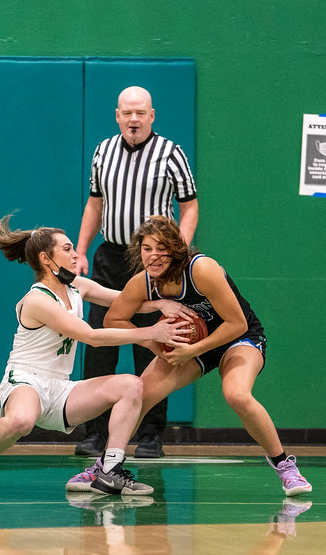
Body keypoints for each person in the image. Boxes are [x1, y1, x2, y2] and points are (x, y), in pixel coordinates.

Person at [67, 216, 312, 497]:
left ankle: (285, 467)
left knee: (237, 394)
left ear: (175, 249)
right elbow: (113, 319)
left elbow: (237, 323)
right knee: (139, 394)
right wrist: (152, 341)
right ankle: (105, 467)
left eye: (161, 248)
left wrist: (193, 351)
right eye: (147, 248)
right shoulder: (144, 282)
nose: (153, 256)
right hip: (191, 345)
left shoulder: (201, 269)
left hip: (237, 338)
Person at [0, 215, 191, 497]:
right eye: (67, 249)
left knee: (132, 385)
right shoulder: (38, 300)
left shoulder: (77, 286)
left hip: (61, 389)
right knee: (21, 421)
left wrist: (160, 304)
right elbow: (91, 336)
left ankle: (109, 471)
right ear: (46, 259)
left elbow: (122, 300)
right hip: (26, 381)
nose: (75, 254)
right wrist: (151, 332)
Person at [75, 85, 198, 459]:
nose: (133, 119)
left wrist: (175, 253)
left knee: (155, 344)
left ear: (151, 115)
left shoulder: (171, 153)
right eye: (127, 113)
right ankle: (95, 431)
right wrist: (80, 250)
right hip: (110, 257)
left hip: (153, 261)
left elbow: (190, 208)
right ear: (117, 115)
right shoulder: (103, 151)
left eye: (140, 113)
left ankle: (150, 435)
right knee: (100, 343)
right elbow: (94, 204)